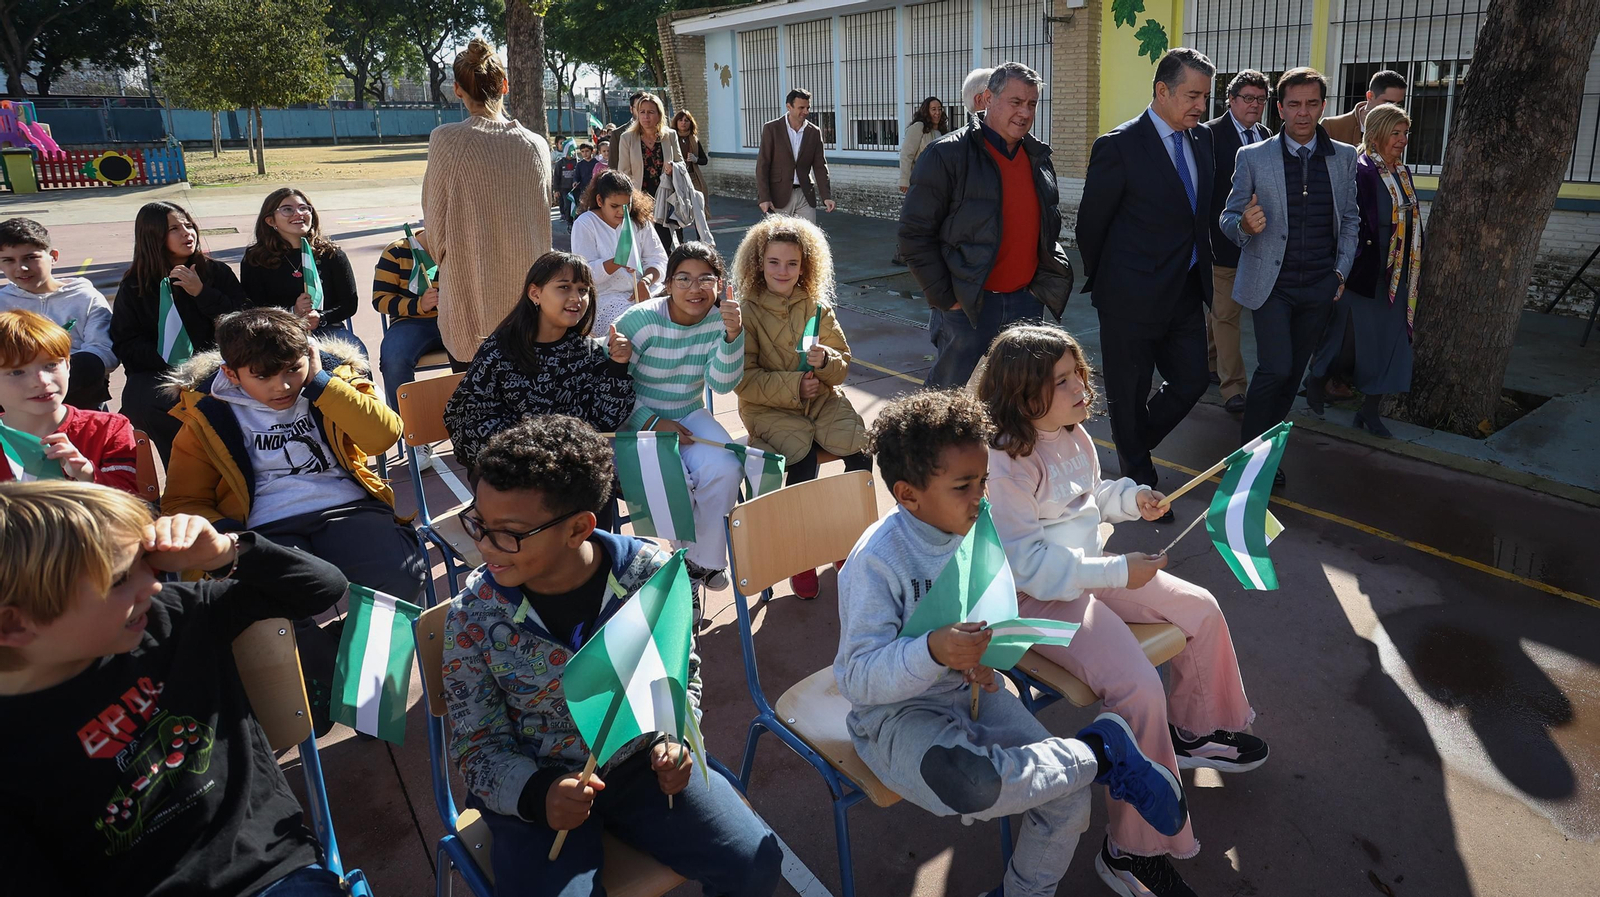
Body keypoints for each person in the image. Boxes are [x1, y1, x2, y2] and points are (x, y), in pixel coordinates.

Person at [833, 389, 1188, 897]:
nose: (980, 498)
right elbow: (856, 678)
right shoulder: (877, 561)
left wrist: (983, 655)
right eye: (963, 486)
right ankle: (1099, 751)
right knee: (970, 785)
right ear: (908, 495)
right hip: (893, 714)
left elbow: (987, 612)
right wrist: (933, 651)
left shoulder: (977, 526)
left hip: (972, 689)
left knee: (1063, 799)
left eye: (983, 482)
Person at [441, 416, 784, 897]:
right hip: (537, 787)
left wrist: (676, 737)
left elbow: (679, 673)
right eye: (478, 522)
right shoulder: (473, 616)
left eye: (508, 533)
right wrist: (538, 795)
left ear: (579, 527)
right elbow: (477, 748)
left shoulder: (652, 575)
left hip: (641, 766)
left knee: (756, 862)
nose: (483, 544)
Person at [978, 325, 1266, 897]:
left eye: (1078, 372)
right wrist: (1116, 571)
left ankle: (1194, 730)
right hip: (1036, 600)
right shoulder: (1005, 462)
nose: (1080, 386)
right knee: (1137, 687)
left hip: (1090, 572)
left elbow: (1091, 497)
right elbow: (1028, 567)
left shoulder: (1074, 433)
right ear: (1021, 394)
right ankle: (1130, 851)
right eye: (1061, 381)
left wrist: (1132, 498)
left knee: (1202, 610)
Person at [0, 482, 353, 897]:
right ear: (13, 625)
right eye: (119, 580)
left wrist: (225, 553)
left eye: (143, 563)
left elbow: (323, 588)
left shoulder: (170, 615)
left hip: (268, 872)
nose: (151, 584)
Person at [159, 308, 427, 604]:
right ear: (231, 374)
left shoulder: (335, 379)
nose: (283, 386)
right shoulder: (206, 410)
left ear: (309, 354)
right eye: (263, 377)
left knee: (403, 575)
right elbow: (182, 500)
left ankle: (356, 649)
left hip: (347, 508)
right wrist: (227, 535)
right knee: (264, 603)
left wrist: (322, 385)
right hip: (261, 527)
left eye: (292, 369)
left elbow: (384, 437)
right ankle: (321, 649)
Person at [1076, 48, 1217, 513]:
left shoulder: (1200, 142)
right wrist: (1115, 281)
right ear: (1162, 90)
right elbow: (1090, 227)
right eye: (1192, 95)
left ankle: (1133, 442)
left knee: (1193, 379)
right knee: (1129, 390)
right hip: (1130, 296)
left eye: (1205, 97)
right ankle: (1140, 482)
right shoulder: (1117, 146)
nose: (1201, 105)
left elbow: (1197, 216)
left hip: (1186, 290)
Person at [1221, 66, 1360, 486]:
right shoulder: (1253, 157)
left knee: (1291, 375)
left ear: (1322, 106)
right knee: (1276, 369)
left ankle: (1266, 458)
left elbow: (1351, 220)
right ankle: (1245, 461)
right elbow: (1228, 217)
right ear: (1279, 108)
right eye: (1294, 104)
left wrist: (1339, 273)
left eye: (1312, 104)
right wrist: (1244, 225)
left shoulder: (1344, 157)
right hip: (1272, 287)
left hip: (1319, 285)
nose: (1303, 113)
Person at [899, 62, 1073, 390]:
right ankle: (923, 442)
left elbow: (1045, 226)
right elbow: (914, 234)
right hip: (969, 305)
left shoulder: (1039, 157)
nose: (1025, 112)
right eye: (1016, 102)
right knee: (947, 399)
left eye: (1032, 103)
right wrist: (946, 298)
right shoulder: (946, 155)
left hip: (1025, 302)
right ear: (988, 99)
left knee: (1014, 398)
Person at [730, 216, 869, 599]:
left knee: (860, 450)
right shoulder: (748, 311)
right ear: (759, 264)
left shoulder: (816, 306)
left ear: (805, 266)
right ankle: (802, 554)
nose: (782, 271)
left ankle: (847, 538)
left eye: (792, 264)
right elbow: (744, 380)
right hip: (768, 408)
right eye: (774, 262)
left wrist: (825, 363)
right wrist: (794, 384)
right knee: (802, 458)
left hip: (820, 400)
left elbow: (842, 363)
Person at [615, 242, 744, 597]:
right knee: (674, 481)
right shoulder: (640, 320)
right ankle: (699, 565)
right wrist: (651, 422)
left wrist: (733, 336)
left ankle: (694, 566)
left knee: (727, 465)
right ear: (668, 283)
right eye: (683, 278)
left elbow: (721, 382)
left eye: (706, 279)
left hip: (688, 408)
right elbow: (610, 390)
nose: (694, 288)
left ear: (719, 284)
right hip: (635, 420)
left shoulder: (722, 319)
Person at [423, 38, 553, 366]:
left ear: (457, 89)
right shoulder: (536, 145)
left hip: (471, 303)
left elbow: (436, 232)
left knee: (478, 409)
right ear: (504, 85)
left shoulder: (446, 140)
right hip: (532, 308)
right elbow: (543, 224)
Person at [444, 251, 635, 473]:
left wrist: (618, 366)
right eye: (564, 287)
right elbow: (468, 416)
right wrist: (529, 458)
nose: (576, 298)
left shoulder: (588, 352)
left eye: (583, 290)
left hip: (571, 469)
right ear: (535, 293)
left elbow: (604, 421)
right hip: (511, 469)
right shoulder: (500, 349)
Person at [1305, 103, 1420, 439]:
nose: (1402, 140)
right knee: (1345, 341)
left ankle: (1369, 412)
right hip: (1360, 271)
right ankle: (1316, 379)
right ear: (1377, 133)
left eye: (1405, 133)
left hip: (1396, 275)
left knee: (1392, 343)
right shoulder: (1361, 170)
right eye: (1395, 133)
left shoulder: (1403, 173)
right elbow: (1341, 222)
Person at [110, 202, 247, 461]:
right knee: (146, 403)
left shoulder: (215, 272)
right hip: (160, 369)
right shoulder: (135, 285)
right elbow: (126, 342)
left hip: (216, 363)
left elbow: (242, 320)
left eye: (188, 225)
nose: (187, 233)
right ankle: (181, 476)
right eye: (175, 228)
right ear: (154, 236)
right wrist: (168, 357)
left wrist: (202, 293)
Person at [0, 310, 136, 493]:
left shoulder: (108, 429)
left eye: (51, 365)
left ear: (68, 365)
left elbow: (132, 508)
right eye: (17, 372)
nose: (41, 381)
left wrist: (87, 474)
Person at [1201, 71, 1272, 415]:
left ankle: (1206, 362)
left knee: (1219, 313)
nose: (1255, 105)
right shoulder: (1209, 135)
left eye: (1261, 99)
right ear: (1231, 100)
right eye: (1248, 98)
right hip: (1221, 243)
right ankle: (1233, 389)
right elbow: (1203, 193)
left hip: (1256, 244)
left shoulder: (1266, 136)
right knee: (1227, 315)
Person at [0, 217, 116, 410]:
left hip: (78, 393)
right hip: (15, 398)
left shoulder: (85, 297)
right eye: (9, 260)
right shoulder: (3, 303)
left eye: (31, 257)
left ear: (53, 256)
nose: (21, 268)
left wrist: (56, 370)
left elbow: (105, 351)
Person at [239, 187, 365, 354]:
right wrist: (293, 312)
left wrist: (321, 318)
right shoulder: (256, 259)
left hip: (328, 330)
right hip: (278, 333)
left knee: (356, 358)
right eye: (287, 210)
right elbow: (254, 309)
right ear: (270, 221)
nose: (298, 214)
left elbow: (349, 304)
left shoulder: (331, 254)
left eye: (303, 208)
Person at [571, 170, 669, 334]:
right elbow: (584, 273)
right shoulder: (585, 224)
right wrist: (617, 261)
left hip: (647, 291)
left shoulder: (638, 221)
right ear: (600, 200)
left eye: (627, 206)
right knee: (636, 327)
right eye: (614, 206)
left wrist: (645, 281)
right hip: (607, 297)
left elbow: (658, 259)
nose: (622, 212)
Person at [371, 226, 447, 418]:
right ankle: (414, 432)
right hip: (410, 323)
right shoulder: (397, 251)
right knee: (394, 360)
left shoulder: (461, 249)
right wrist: (418, 305)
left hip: (456, 321)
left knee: (488, 350)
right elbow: (380, 300)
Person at [617, 93, 685, 253]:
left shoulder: (670, 136)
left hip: (665, 198)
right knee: (642, 245)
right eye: (642, 112)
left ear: (659, 114)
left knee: (664, 245)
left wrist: (674, 166)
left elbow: (681, 162)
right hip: (639, 199)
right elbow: (623, 172)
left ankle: (665, 276)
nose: (646, 116)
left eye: (650, 112)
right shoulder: (627, 138)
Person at [755, 88, 834, 222]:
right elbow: (763, 165)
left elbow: (820, 166)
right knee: (781, 239)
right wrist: (764, 198)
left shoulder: (814, 132)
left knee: (808, 239)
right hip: (779, 196)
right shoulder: (772, 129)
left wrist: (826, 196)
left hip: (805, 195)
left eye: (808, 107)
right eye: (801, 107)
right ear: (789, 107)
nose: (806, 112)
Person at [893, 96, 952, 266]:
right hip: (918, 182)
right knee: (915, 220)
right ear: (926, 110)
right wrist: (904, 180)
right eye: (933, 109)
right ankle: (902, 253)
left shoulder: (941, 131)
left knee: (931, 219)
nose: (937, 112)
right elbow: (906, 154)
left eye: (939, 109)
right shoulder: (918, 128)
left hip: (936, 183)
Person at [1321, 69, 1407, 147]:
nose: (1395, 108)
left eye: (1399, 104)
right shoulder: (1332, 126)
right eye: (1389, 103)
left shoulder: (1397, 129)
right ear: (1370, 96)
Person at [672, 109, 710, 198]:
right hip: (675, 177)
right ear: (676, 122)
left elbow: (704, 160)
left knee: (697, 203)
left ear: (690, 123)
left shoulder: (694, 139)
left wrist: (695, 159)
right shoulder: (671, 138)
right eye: (680, 120)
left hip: (692, 177)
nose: (683, 123)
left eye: (686, 120)